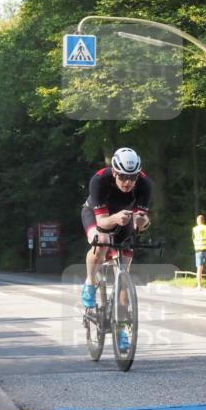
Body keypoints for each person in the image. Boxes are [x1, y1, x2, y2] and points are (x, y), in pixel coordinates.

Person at [80, 148, 151, 349]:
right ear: (114, 172)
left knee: (124, 271)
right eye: (122, 176)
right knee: (100, 240)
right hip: (96, 216)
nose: (127, 182)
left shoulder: (145, 184)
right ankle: (90, 282)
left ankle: (120, 329)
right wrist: (117, 219)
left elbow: (144, 221)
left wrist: (142, 221)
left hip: (124, 218)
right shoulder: (99, 180)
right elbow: (102, 221)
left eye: (132, 177)